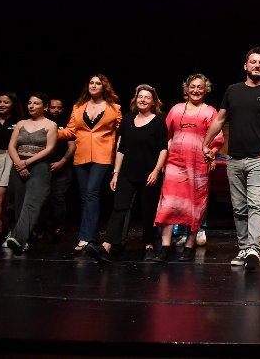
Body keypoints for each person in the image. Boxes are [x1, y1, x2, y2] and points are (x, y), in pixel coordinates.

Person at [203, 47, 260, 270]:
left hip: (259, 159)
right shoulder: (233, 90)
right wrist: (205, 142)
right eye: (253, 62)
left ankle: (253, 247)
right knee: (238, 207)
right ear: (245, 66)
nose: (257, 65)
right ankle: (244, 248)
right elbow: (220, 120)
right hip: (234, 159)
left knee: (255, 203)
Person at [85, 84, 168, 264]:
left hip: (149, 174)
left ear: (153, 101)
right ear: (135, 99)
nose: (143, 100)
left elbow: (163, 149)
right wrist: (116, 173)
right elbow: (121, 148)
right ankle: (106, 246)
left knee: (148, 211)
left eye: (147, 97)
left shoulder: (159, 121)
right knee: (119, 208)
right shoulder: (128, 118)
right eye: (140, 96)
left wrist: (156, 171)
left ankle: (149, 246)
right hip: (127, 173)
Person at [153, 73, 224, 263]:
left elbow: (217, 140)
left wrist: (212, 153)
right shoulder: (176, 109)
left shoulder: (210, 112)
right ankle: (165, 246)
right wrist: (163, 160)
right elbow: (166, 136)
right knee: (168, 203)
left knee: (195, 204)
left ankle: (189, 246)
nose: (196, 90)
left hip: (197, 164)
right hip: (174, 162)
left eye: (200, 87)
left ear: (205, 90)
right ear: (186, 89)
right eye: (192, 86)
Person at [58, 74, 122, 253]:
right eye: (91, 83)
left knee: (92, 192)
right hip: (82, 154)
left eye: (98, 83)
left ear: (104, 87)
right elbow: (70, 131)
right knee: (85, 195)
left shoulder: (114, 108)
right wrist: (51, 131)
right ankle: (91, 235)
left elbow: (120, 133)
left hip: (103, 155)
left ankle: (85, 237)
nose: (93, 85)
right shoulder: (78, 107)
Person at [5, 92, 58, 255]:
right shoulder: (21, 123)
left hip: (39, 166)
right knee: (18, 202)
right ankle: (20, 238)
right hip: (19, 164)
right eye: (29, 103)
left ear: (45, 107)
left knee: (32, 202)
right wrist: (19, 164)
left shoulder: (51, 124)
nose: (31, 106)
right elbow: (11, 146)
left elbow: (50, 148)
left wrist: (27, 163)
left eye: (36, 103)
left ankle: (19, 239)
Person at [35, 97, 75, 242]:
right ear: (47, 108)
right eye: (53, 107)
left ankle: (58, 226)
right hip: (42, 167)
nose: (56, 110)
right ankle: (41, 227)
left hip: (62, 168)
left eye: (59, 107)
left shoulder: (67, 124)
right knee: (42, 198)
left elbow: (72, 147)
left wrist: (61, 162)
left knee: (58, 198)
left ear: (62, 109)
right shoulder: (42, 123)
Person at [0, 91, 24, 242]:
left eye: (6, 102)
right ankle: (6, 229)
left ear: (13, 104)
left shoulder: (19, 122)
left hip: (8, 158)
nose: (1, 104)